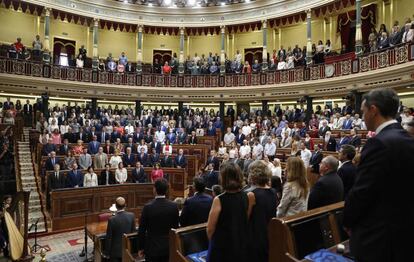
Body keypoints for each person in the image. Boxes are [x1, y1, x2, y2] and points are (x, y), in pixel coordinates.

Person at [343, 88, 414, 262]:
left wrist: (347, 220)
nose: (363, 116)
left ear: (373, 110)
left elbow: (362, 192)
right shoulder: (406, 138)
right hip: (403, 234)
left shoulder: (378, 143)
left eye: (364, 111)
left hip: (377, 239)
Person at [206, 162, 254, 262]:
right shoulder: (248, 196)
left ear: (223, 179)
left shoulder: (219, 200)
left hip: (222, 247)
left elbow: (210, 229)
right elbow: (246, 218)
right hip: (240, 243)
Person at [138, 179, 179, 262]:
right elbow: (175, 228)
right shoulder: (174, 206)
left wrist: (141, 247)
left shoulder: (148, 207)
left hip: (152, 248)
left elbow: (142, 230)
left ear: (154, 189)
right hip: (168, 247)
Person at [247, 160, 277, 262]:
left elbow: (245, 218)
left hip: (254, 236)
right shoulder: (273, 191)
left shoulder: (252, 194)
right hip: (268, 234)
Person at [105, 197, 136, 262]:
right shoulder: (131, 216)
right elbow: (133, 234)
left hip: (115, 252)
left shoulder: (112, 219)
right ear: (125, 205)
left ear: (115, 206)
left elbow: (109, 238)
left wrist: (107, 253)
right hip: (128, 250)